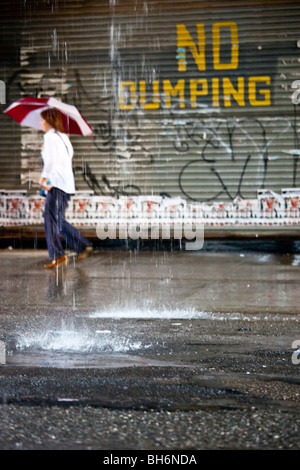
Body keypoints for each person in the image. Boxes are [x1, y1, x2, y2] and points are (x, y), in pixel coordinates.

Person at [39, 108, 92, 268]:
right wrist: (45, 153)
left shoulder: (49, 137)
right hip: (67, 184)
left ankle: (58, 255)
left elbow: (51, 162)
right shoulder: (63, 137)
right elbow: (64, 158)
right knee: (57, 219)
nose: (41, 123)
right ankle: (81, 245)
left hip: (56, 184)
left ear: (49, 121)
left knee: (50, 219)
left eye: (43, 120)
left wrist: (43, 178)